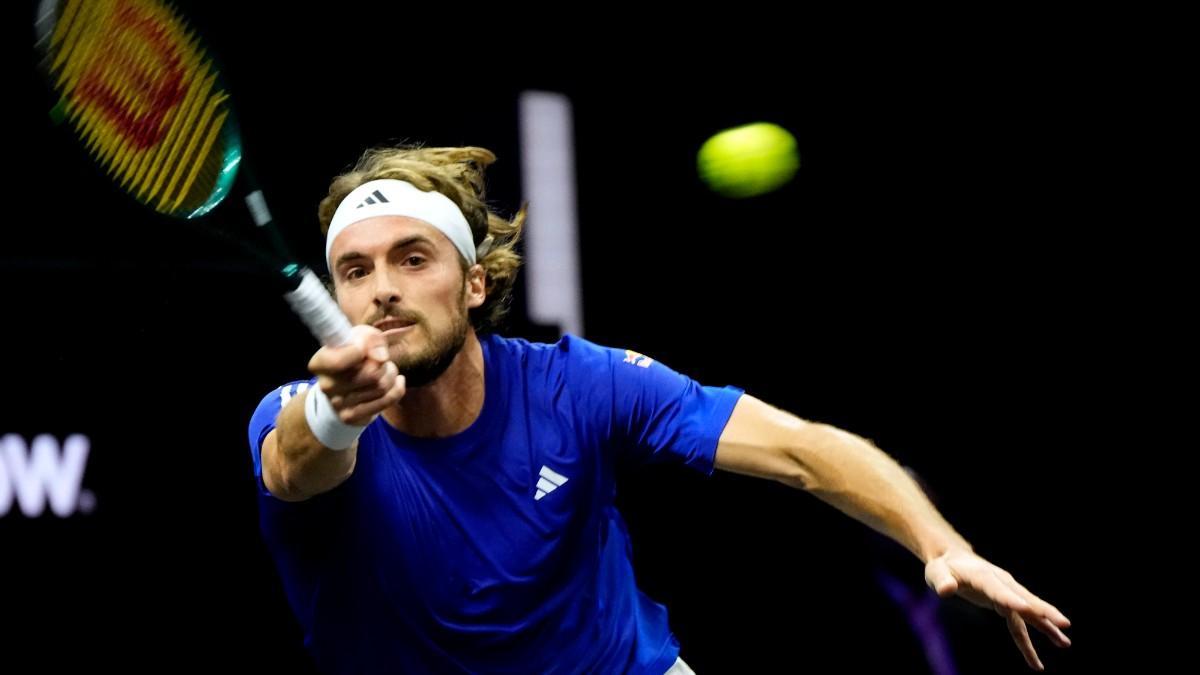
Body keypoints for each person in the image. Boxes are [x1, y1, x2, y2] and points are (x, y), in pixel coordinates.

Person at [247, 145, 1071, 674]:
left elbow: (803, 449)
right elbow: (295, 465)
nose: (382, 287)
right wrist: (337, 413)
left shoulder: (578, 383)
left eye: (412, 257)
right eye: (354, 271)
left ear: (474, 284)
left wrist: (942, 544)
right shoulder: (297, 416)